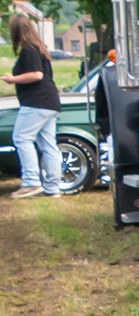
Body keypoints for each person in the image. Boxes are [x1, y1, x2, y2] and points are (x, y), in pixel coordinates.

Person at [4, 14, 63, 199]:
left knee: (22, 138)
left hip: (36, 102)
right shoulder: (39, 47)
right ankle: (53, 187)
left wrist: (12, 79)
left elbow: (37, 75)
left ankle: (31, 182)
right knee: (47, 144)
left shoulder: (28, 49)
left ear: (16, 30)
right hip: (50, 102)